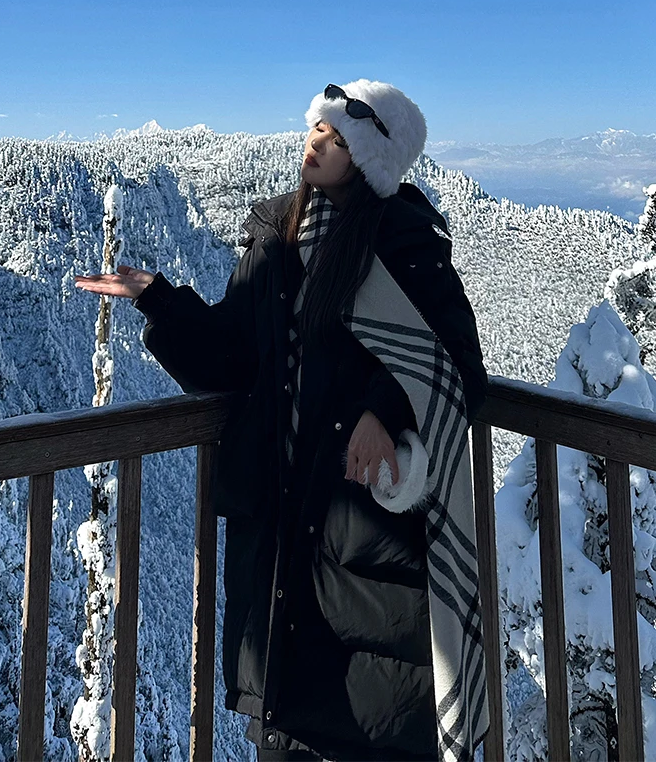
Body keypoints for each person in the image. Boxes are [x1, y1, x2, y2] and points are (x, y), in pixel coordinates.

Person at [77, 80, 489, 762]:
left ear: (370, 160)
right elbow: (233, 356)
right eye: (315, 131)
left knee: (368, 725)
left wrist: (382, 413)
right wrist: (160, 300)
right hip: (279, 538)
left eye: (336, 138)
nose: (315, 143)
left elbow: (458, 368)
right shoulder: (278, 240)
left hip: (361, 539)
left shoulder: (403, 243)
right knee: (286, 725)